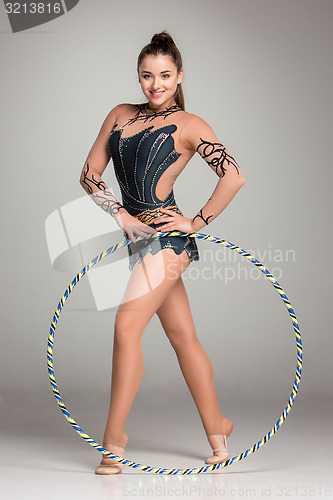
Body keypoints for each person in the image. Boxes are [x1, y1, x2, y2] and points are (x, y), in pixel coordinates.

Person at [79, 30, 245, 475]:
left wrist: (196, 222)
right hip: (139, 240)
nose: (156, 85)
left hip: (169, 241)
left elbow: (233, 177)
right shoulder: (119, 114)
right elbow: (90, 175)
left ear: (179, 75)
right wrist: (119, 214)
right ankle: (217, 429)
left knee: (126, 325)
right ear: (138, 76)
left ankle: (114, 439)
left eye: (165, 76)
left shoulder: (191, 125)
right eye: (147, 76)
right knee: (182, 337)